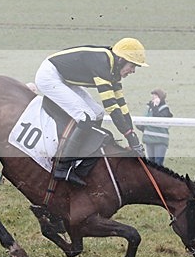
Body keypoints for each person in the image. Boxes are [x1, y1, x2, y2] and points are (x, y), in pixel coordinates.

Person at [35, 38, 148, 186]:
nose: (133, 71)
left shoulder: (114, 72)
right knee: (85, 117)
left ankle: (82, 156)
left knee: (97, 113)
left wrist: (134, 139)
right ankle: (62, 166)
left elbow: (122, 107)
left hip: (64, 78)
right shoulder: (102, 64)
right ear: (121, 59)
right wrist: (132, 141)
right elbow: (112, 108)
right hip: (49, 76)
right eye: (132, 65)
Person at [137, 88, 173, 166]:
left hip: (160, 141)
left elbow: (158, 119)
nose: (153, 97)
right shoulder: (150, 109)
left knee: (158, 164)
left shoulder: (165, 109)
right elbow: (145, 122)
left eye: (155, 96)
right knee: (151, 163)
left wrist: (155, 108)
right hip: (149, 140)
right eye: (153, 95)